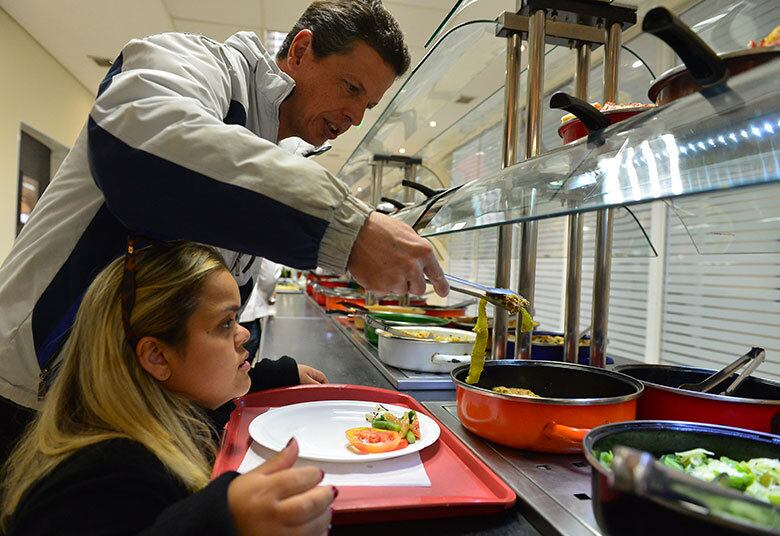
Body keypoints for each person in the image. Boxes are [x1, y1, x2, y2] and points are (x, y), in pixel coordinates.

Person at [0, 0, 448, 457]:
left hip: (123, 403)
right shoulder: (196, 63)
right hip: (32, 389)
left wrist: (257, 374)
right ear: (300, 50)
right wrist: (350, 231)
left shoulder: (275, 154)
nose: (355, 115)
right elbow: (136, 142)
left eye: (367, 105)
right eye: (350, 87)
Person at [0, 241, 335, 535]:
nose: (243, 334)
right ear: (157, 356)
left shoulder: (167, 410)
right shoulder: (103, 477)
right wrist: (223, 521)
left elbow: (212, 402)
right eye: (225, 323)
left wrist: (272, 376)